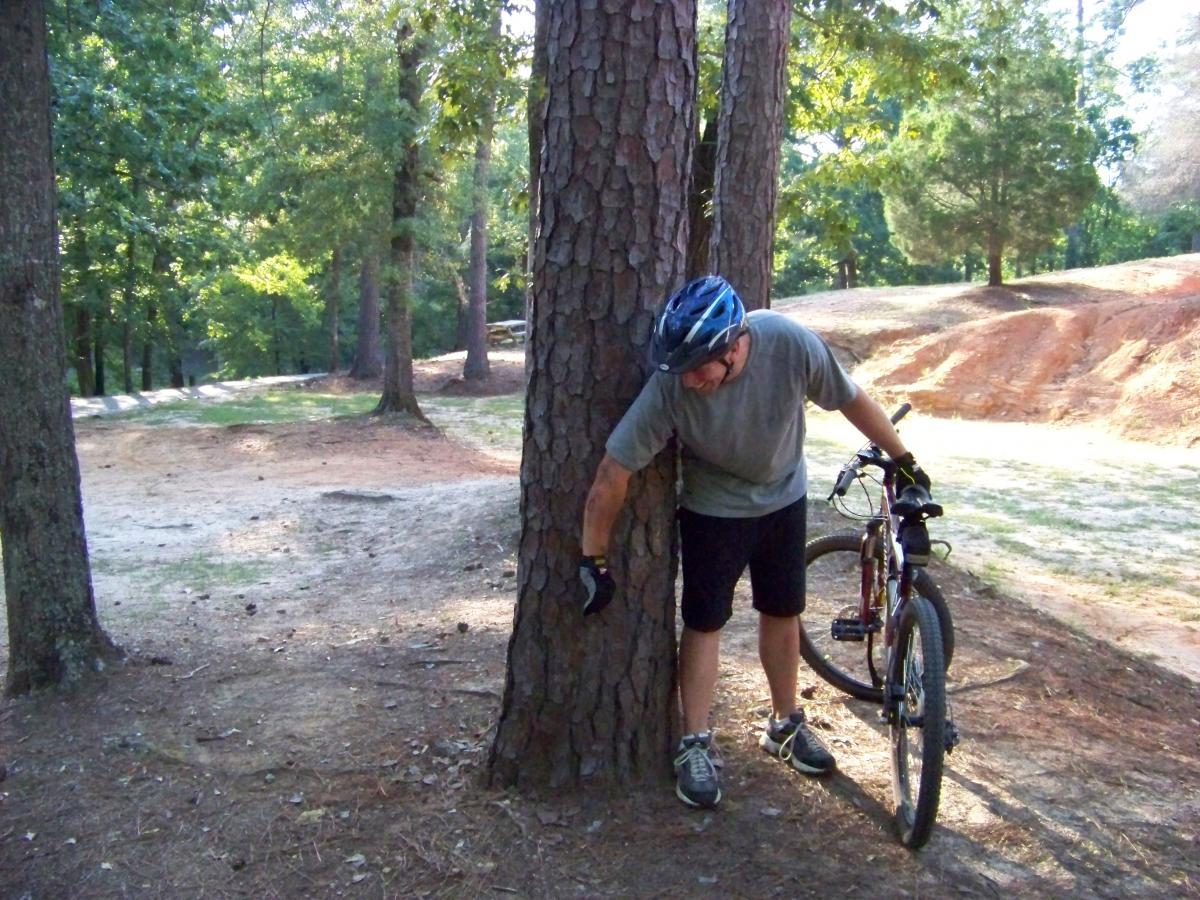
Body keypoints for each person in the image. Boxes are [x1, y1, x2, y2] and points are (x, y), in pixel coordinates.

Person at [577, 275, 931, 809]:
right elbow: (613, 473)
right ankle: (694, 741)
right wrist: (593, 558)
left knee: (783, 612)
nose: (690, 381)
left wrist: (904, 463)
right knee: (704, 621)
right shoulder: (674, 382)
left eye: (700, 369)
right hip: (712, 510)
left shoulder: (788, 343)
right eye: (683, 370)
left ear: (734, 346)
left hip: (784, 500)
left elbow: (851, 400)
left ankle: (784, 724)